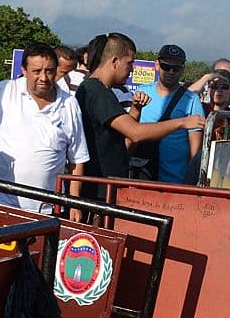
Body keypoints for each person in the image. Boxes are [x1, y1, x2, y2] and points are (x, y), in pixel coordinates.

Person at [0, 42, 89, 219]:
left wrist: (74, 204)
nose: (43, 77)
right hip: (1, 204)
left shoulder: (69, 104)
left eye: (49, 71)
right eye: (36, 71)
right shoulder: (4, 91)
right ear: (24, 70)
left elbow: (77, 159)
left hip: (45, 211)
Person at [75, 33, 205, 199]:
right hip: (98, 190)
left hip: (107, 186)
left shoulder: (101, 91)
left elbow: (126, 139)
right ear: (114, 61)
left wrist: (136, 110)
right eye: (129, 63)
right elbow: (135, 133)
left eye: (176, 68)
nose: (132, 70)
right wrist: (181, 122)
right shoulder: (98, 92)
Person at [130, 44, 205, 183]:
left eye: (175, 68)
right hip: (140, 177)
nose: (171, 71)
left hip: (175, 182)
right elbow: (130, 132)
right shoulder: (141, 92)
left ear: (182, 69)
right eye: (166, 66)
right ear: (157, 65)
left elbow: (195, 151)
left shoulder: (192, 100)